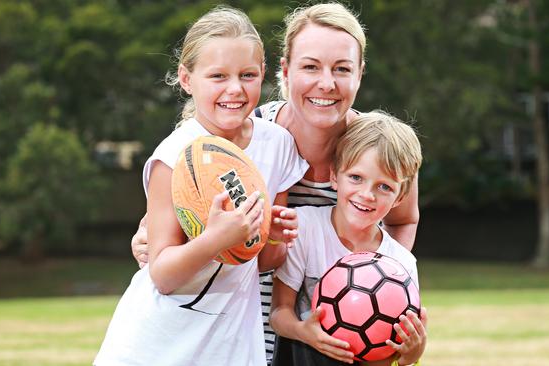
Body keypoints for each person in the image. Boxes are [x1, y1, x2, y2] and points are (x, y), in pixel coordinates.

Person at [130, 3, 421, 364]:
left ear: (360, 73)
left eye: (342, 69)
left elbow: (403, 220)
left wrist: (373, 279)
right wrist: (149, 237)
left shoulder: (380, 149)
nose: (326, 83)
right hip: (248, 330)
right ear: (284, 70)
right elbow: (181, 215)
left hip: (336, 340)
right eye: (310, 66)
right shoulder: (239, 137)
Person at [94, 6, 308, 366]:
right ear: (186, 78)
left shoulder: (278, 145)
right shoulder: (174, 156)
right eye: (218, 76)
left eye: (248, 75)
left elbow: (263, 261)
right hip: (159, 343)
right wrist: (215, 239)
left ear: (263, 76)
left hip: (230, 341)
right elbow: (162, 274)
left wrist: (275, 235)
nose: (235, 89)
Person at [270, 111, 427, 366]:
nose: (367, 195)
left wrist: (412, 353)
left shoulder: (401, 263)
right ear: (334, 176)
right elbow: (279, 313)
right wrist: (304, 332)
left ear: (400, 197)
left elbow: (394, 357)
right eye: (356, 178)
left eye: (384, 186)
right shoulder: (306, 228)